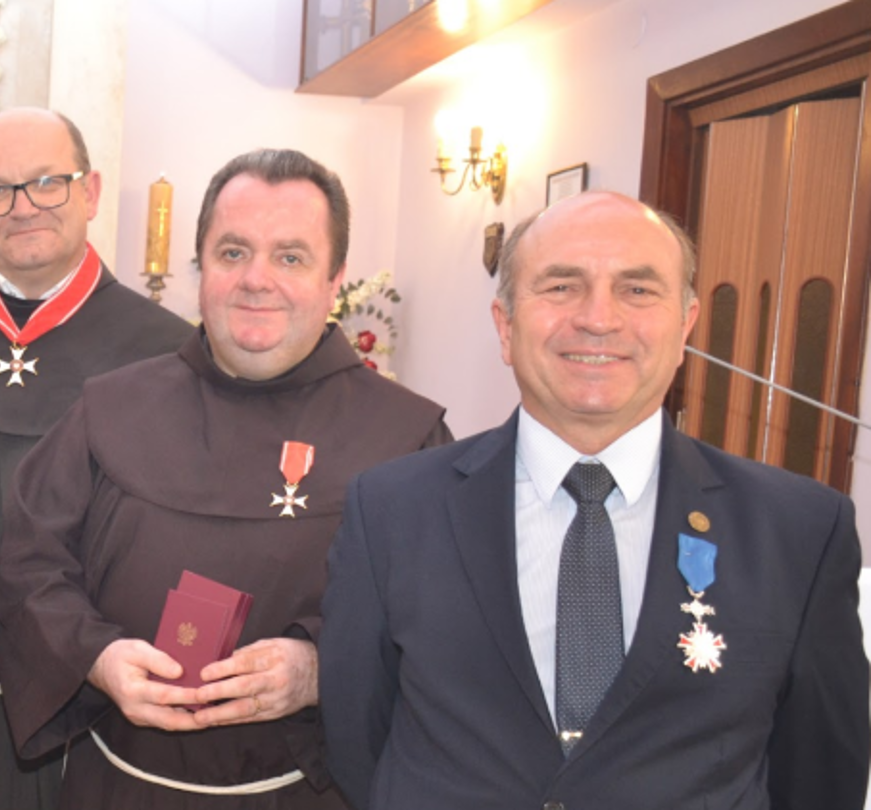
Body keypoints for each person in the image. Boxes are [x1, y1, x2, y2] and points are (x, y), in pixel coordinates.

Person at [320, 191, 870, 809]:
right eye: (560, 287)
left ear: (686, 323)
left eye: (638, 290)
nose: (599, 318)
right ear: (505, 326)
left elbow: (821, 777)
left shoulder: (799, 532)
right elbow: (357, 739)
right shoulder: (391, 510)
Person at [0, 149, 450, 808]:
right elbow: (26, 558)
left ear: (335, 278)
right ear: (201, 266)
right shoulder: (110, 406)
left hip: (306, 791)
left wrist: (322, 668)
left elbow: (440, 617)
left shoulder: (407, 438)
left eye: (291, 257)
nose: (256, 279)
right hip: (119, 787)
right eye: (233, 252)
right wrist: (95, 657)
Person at [0, 107, 191, 810]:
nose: (22, 208)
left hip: (92, 711)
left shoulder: (171, 353)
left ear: (91, 191)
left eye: (47, 182)